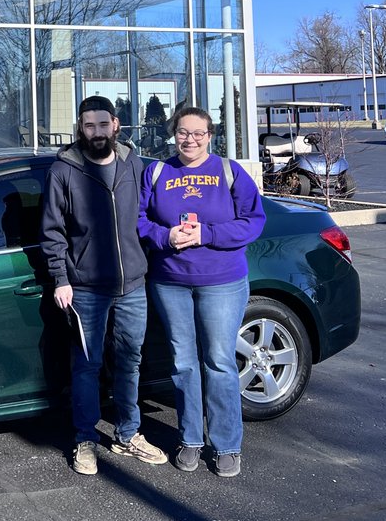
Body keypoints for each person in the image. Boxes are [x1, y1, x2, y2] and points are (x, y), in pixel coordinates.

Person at [40, 95, 168, 476]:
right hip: (86, 289)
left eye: (102, 124)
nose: (95, 132)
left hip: (132, 285)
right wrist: (61, 279)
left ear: (116, 124)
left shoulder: (134, 163)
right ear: (81, 128)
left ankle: (129, 434)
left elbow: (149, 216)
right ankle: (85, 440)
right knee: (86, 366)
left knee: (130, 361)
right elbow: (52, 231)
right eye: (88, 126)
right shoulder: (64, 170)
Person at [137, 106, 265, 478]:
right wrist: (165, 236)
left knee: (219, 362)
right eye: (182, 132)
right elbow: (139, 219)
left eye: (198, 133)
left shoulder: (228, 171)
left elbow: (253, 222)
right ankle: (190, 438)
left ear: (210, 136)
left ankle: (226, 444)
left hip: (222, 282)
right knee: (182, 363)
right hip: (170, 281)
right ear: (173, 134)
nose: (189, 139)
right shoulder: (158, 172)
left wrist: (206, 234)